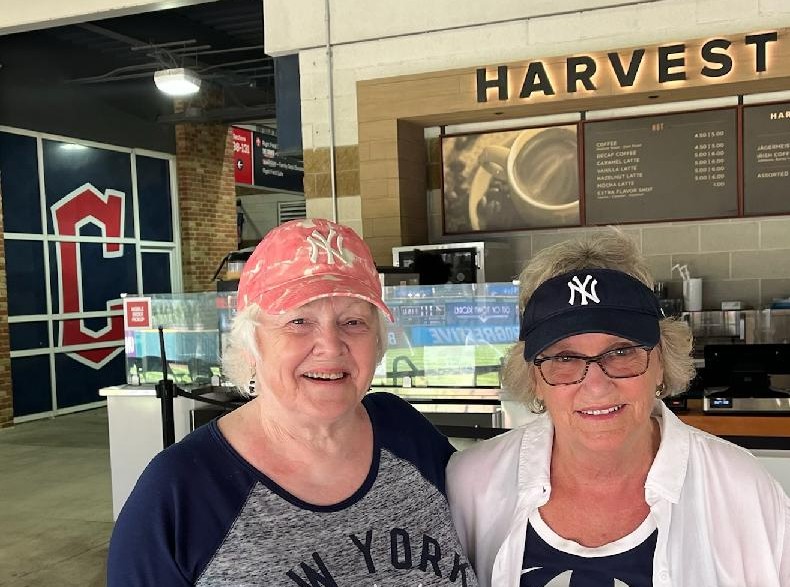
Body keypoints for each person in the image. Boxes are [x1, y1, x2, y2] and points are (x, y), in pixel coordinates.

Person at [108, 218, 478, 586]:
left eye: (353, 322)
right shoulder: (179, 491)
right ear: (252, 344)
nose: (331, 346)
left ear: (377, 341)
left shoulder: (403, 430)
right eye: (299, 321)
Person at [447, 230, 790, 587]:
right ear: (534, 378)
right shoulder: (471, 484)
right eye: (565, 357)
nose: (596, 385)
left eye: (622, 352)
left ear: (661, 362)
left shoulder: (744, 492)